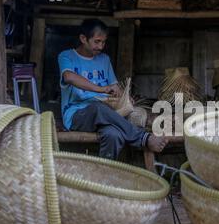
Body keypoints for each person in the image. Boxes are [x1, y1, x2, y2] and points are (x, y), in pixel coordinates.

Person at [58, 18, 167, 160]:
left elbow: (114, 87)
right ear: (83, 38)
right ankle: (144, 138)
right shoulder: (67, 56)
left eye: (103, 42)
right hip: (77, 116)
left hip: (106, 116)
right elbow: (69, 77)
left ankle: (104, 176)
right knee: (97, 107)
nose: (101, 46)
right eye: (97, 41)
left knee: (113, 135)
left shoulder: (104, 59)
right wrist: (101, 89)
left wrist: (125, 98)